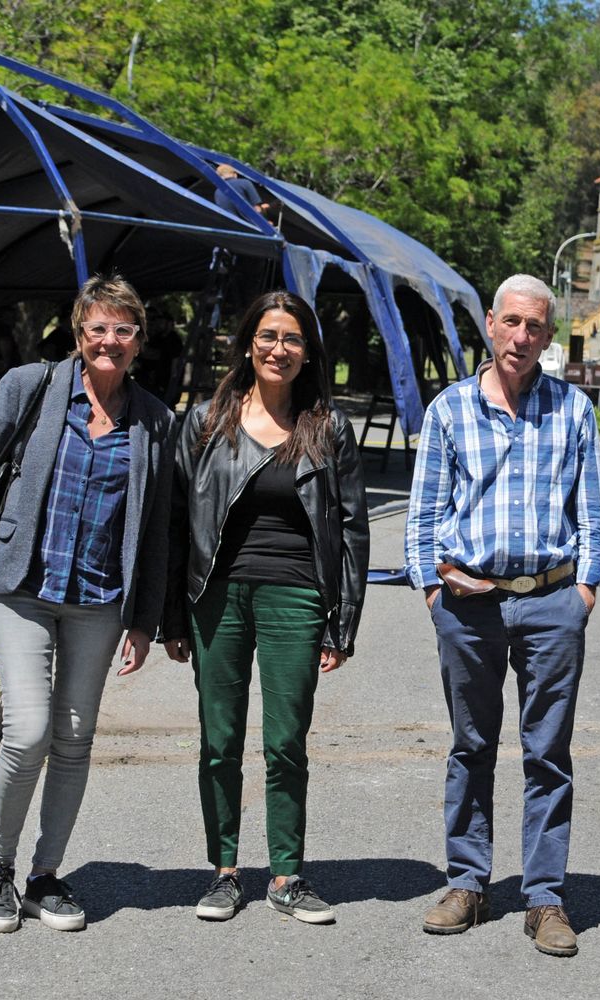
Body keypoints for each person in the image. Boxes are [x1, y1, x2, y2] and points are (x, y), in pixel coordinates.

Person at [0, 275, 176, 934]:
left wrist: (144, 618)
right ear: (78, 332)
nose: (110, 341)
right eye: (98, 327)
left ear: (138, 341)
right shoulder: (28, 388)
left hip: (98, 599)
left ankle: (45, 875)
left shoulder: (154, 419)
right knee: (29, 731)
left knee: (73, 741)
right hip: (23, 588)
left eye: (124, 330)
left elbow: (155, 528)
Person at [405, 273, 600, 957]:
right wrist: (433, 596)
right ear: (491, 324)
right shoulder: (450, 411)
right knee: (471, 746)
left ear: (549, 336)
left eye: (536, 326)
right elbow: (424, 514)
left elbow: (594, 514)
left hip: (552, 601)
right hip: (469, 604)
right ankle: (467, 881)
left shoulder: (573, 410)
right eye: (512, 323)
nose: (522, 337)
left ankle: (545, 897)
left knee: (548, 752)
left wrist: (582, 595)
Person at [162, 290, 368, 924]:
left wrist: (342, 620)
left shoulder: (328, 427)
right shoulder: (202, 423)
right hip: (215, 598)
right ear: (248, 343)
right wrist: (172, 616)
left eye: (294, 339)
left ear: (309, 354)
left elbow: (352, 525)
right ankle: (224, 872)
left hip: (295, 596)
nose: (280, 349)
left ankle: (286, 874)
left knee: (286, 742)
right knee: (219, 741)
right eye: (270, 336)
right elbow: (174, 524)